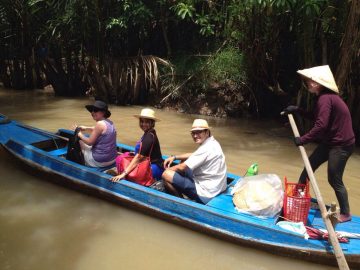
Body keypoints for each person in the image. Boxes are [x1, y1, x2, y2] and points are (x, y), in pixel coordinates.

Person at [283, 65, 355, 223]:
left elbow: (320, 126)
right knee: (308, 168)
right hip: (330, 141)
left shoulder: (325, 98)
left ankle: (346, 213)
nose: (308, 83)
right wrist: (297, 110)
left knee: (334, 178)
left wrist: (303, 139)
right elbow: (317, 118)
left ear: (317, 83)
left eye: (309, 81)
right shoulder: (323, 98)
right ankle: (297, 198)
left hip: (342, 145)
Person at [162, 119, 227, 204]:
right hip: (217, 187)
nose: (195, 136)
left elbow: (182, 167)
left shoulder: (205, 149)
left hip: (206, 194)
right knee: (183, 160)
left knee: (165, 175)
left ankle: (180, 202)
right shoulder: (213, 143)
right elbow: (195, 154)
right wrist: (175, 157)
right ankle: (180, 184)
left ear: (207, 132)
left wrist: (168, 170)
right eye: (193, 133)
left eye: (199, 132)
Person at [110, 108, 164, 182]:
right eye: (142, 121)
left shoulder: (149, 136)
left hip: (153, 168)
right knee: (121, 157)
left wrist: (123, 174)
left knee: (121, 160)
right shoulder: (149, 132)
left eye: (147, 122)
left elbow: (139, 157)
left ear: (152, 123)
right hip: (153, 164)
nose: (143, 124)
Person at [74, 100, 117, 168]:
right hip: (112, 159)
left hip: (99, 161)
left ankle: (81, 163)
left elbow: (89, 142)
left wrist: (79, 134)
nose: (92, 112)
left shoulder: (99, 124)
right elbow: (97, 129)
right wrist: (85, 128)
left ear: (103, 112)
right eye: (92, 110)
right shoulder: (110, 122)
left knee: (80, 141)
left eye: (96, 110)